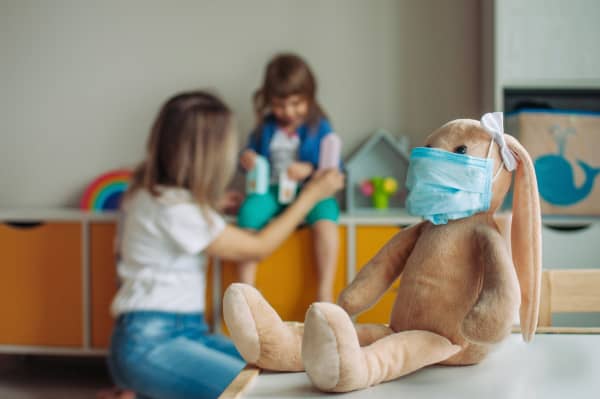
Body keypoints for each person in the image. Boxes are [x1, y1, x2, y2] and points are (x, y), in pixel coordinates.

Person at [105, 90, 344, 399]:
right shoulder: (173, 208)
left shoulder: (154, 194)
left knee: (279, 371)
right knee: (257, 390)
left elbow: (180, 220)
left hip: (182, 332)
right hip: (151, 342)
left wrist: (212, 206)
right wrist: (312, 194)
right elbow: (257, 248)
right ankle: (135, 386)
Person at [238, 53, 341, 302]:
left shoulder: (320, 126)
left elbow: (334, 165)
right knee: (249, 212)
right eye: (280, 105)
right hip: (273, 188)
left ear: (309, 97)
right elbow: (248, 158)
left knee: (327, 219)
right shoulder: (265, 127)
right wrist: (247, 160)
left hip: (310, 190)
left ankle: (324, 290)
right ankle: (245, 290)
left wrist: (309, 169)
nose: (288, 111)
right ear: (269, 101)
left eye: (296, 103)